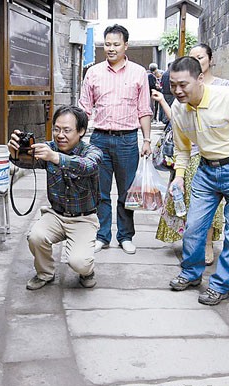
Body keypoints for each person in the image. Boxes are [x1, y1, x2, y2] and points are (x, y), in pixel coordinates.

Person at [166, 56, 229, 305]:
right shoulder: (178, 108)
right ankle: (191, 273)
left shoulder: (227, 98)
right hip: (206, 171)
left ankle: (221, 285)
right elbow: (182, 148)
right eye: (173, 84)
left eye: (183, 84)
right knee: (194, 228)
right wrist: (179, 176)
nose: (177, 90)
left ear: (199, 79)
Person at [152, 43, 229, 265]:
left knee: (213, 205)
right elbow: (178, 123)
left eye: (201, 57)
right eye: (192, 57)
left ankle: (207, 244)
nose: (197, 61)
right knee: (188, 202)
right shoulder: (182, 91)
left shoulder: (224, 88)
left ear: (210, 59)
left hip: (218, 157)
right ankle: (192, 247)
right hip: (190, 154)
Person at [7, 105, 102, 290]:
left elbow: (88, 166)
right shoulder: (49, 148)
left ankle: (87, 271)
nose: (60, 135)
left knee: (79, 262)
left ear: (81, 131)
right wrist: (16, 154)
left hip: (83, 218)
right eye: (57, 129)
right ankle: (45, 273)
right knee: (35, 237)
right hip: (56, 215)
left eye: (67, 130)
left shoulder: (92, 152)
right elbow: (29, 163)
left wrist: (56, 157)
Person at [79, 24, 153, 255]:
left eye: (116, 44)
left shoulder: (139, 73)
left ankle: (125, 235)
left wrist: (147, 139)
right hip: (99, 139)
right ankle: (102, 235)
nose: (110, 49)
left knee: (126, 193)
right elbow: (84, 108)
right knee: (99, 191)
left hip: (127, 140)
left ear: (125, 46)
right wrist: (78, 138)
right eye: (107, 44)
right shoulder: (93, 73)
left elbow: (144, 110)